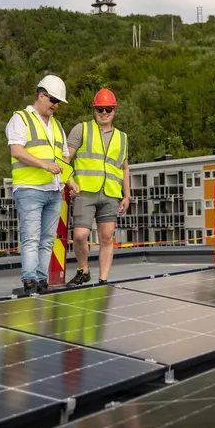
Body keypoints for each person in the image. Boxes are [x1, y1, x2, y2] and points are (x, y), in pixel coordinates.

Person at [5, 74, 79, 295]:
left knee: (47, 239)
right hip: (29, 189)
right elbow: (17, 151)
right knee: (31, 237)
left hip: (53, 191)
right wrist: (45, 166)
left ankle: (41, 280)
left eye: (58, 102)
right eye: (53, 100)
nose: (56, 106)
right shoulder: (21, 119)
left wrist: (70, 181)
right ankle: (29, 281)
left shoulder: (57, 126)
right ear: (41, 95)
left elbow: (63, 159)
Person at [65, 88, 130, 286]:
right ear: (94, 110)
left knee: (107, 238)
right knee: (80, 235)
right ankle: (83, 270)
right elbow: (65, 158)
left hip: (110, 194)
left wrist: (127, 196)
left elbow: (125, 168)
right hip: (84, 191)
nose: (104, 113)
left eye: (108, 109)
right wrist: (70, 181)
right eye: (100, 109)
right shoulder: (82, 129)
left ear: (114, 110)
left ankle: (103, 280)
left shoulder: (122, 137)